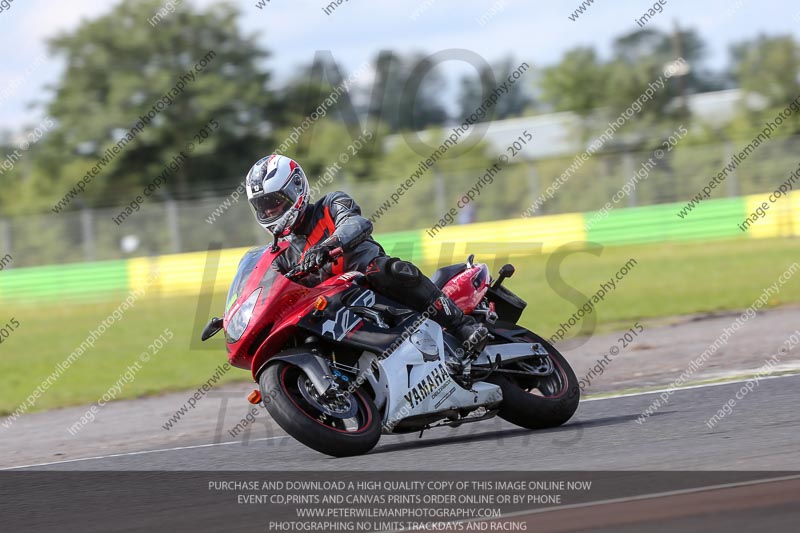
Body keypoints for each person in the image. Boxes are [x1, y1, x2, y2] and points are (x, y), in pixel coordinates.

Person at [244, 154, 488, 366]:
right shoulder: (281, 253)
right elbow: (266, 287)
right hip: (332, 304)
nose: (269, 212)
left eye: (274, 203)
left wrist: (327, 246)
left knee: (388, 270)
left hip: (368, 283)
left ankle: (461, 325)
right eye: (262, 207)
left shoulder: (331, 204)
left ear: (296, 189)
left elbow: (356, 223)